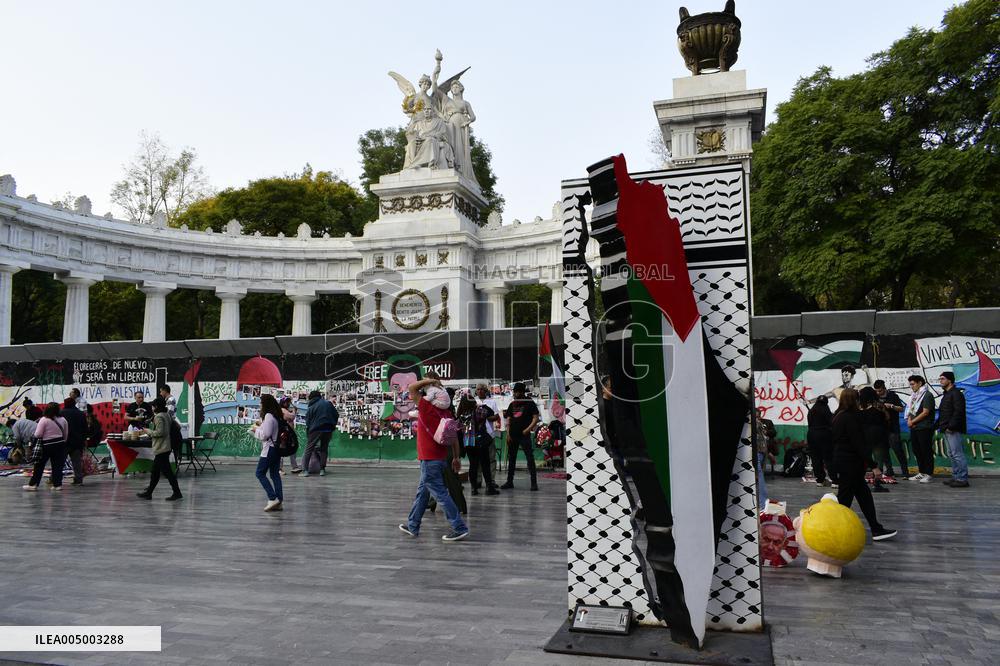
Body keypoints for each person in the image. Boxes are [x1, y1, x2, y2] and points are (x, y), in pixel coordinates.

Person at [399, 375, 468, 542]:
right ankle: (413, 525)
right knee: (423, 492)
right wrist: (456, 457)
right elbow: (453, 437)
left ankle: (459, 527)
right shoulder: (446, 411)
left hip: (429, 458)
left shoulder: (426, 407)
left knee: (440, 494)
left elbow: (412, 388)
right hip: (439, 457)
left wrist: (428, 381)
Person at [832, 388, 896, 540]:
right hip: (851, 463)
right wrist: (873, 465)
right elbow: (858, 444)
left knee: (860, 496)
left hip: (844, 461)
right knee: (846, 499)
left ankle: (875, 528)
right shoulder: (850, 418)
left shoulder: (838, 416)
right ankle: (834, 529)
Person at [137, 399, 182, 501]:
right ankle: (149, 493)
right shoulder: (166, 415)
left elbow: (160, 432)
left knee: (168, 473)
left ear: (156, 407)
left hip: (162, 447)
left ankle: (177, 492)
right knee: (155, 472)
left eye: (153, 406)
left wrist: (148, 431)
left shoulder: (159, 416)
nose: (152, 408)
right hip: (165, 447)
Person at [501, 382, 540, 491]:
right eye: (515, 391)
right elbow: (508, 419)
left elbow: (535, 418)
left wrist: (527, 429)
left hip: (524, 434)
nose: (515, 393)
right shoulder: (512, 404)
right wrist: (508, 434)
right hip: (513, 434)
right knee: (511, 459)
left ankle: (534, 483)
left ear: (522, 392)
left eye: (517, 391)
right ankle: (509, 481)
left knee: (529, 458)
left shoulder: (529, 403)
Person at [23, 402, 69, 491]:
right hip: (60, 444)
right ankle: (57, 485)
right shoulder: (63, 419)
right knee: (57, 466)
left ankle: (33, 484)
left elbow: (38, 434)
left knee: (39, 465)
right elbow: (65, 434)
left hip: (46, 445)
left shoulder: (44, 420)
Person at [936, 371, 969, 488]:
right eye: (940, 379)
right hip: (946, 428)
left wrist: (951, 426)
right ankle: (956, 476)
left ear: (949, 380)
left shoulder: (956, 394)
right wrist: (938, 425)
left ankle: (962, 478)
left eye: (943, 379)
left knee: (957, 454)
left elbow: (958, 412)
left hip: (952, 429)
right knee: (951, 454)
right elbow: (944, 412)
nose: (940, 381)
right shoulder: (947, 394)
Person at [251, 394, 284, 512]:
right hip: (276, 448)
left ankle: (272, 497)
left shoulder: (269, 416)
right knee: (274, 474)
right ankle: (279, 501)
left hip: (269, 449)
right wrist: (260, 427)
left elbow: (266, 435)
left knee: (259, 473)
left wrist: (255, 430)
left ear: (265, 404)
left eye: (261, 403)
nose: (260, 405)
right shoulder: (276, 416)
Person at [468, 383, 501, 495]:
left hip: (489, 434)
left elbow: (496, 416)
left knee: (490, 459)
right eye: (478, 389)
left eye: (482, 389)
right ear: (476, 391)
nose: (480, 391)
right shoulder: (473, 402)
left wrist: (486, 416)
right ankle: (477, 482)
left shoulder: (491, 402)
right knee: (475, 462)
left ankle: (491, 481)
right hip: (475, 436)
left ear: (486, 391)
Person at [858, 387, 890, 493]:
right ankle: (877, 483)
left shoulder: (859, 407)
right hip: (878, 434)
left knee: (865, 459)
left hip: (864, 436)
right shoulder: (879, 406)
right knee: (878, 459)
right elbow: (887, 418)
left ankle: (860, 482)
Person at [874, 379, 908, 479]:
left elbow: (901, 408)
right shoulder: (875, 397)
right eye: (876, 391)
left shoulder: (893, 396)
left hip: (893, 428)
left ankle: (905, 471)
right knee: (884, 451)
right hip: (881, 428)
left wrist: (891, 406)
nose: (878, 393)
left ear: (884, 388)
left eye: (880, 391)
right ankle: (889, 470)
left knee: (897, 450)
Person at [906, 375, 936, 483]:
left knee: (926, 450)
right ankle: (921, 472)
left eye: (913, 384)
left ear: (920, 383)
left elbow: (926, 412)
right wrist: (909, 420)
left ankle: (928, 473)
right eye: (910, 384)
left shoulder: (927, 395)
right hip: (914, 427)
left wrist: (913, 421)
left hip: (924, 427)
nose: (911, 386)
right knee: (917, 450)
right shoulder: (914, 396)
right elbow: (911, 410)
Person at [302, 391, 338, 477]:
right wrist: (332, 424)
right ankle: (322, 470)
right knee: (324, 449)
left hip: (316, 429)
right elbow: (336, 414)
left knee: (309, 448)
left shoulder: (311, 407)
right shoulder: (328, 404)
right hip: (328, 428)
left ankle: (306, 470)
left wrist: (310, 430)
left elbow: (307, 421)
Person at [807, 396, 836, 486]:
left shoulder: (811, 411)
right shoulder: (827, 412)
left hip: (812, 435)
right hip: (825, 435)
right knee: (828, 458)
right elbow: (831, 423)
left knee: (816, 458)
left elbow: (810, 424)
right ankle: (835, 480)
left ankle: (820, 480)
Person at [60, 397, 87, 486]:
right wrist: (84, 440)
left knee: (59, 461)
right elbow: (85, 428)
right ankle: (78, 479)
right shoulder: (81, 413)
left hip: (64, 441)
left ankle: (54, 478)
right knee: (76, 462)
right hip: (77, 441)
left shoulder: (61, 413)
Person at [278, 396, 302, 475]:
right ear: (283, 403)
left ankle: (294, 467)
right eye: (286, 402)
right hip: (284, 433)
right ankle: (279, 468)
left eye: (288, 402)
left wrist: (293, 411)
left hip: (289, 433)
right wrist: (294, 411)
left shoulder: (286, 410)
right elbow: (291, 417)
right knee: (281, 450)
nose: (288, 404)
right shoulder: (282, 410)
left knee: (292, 449)